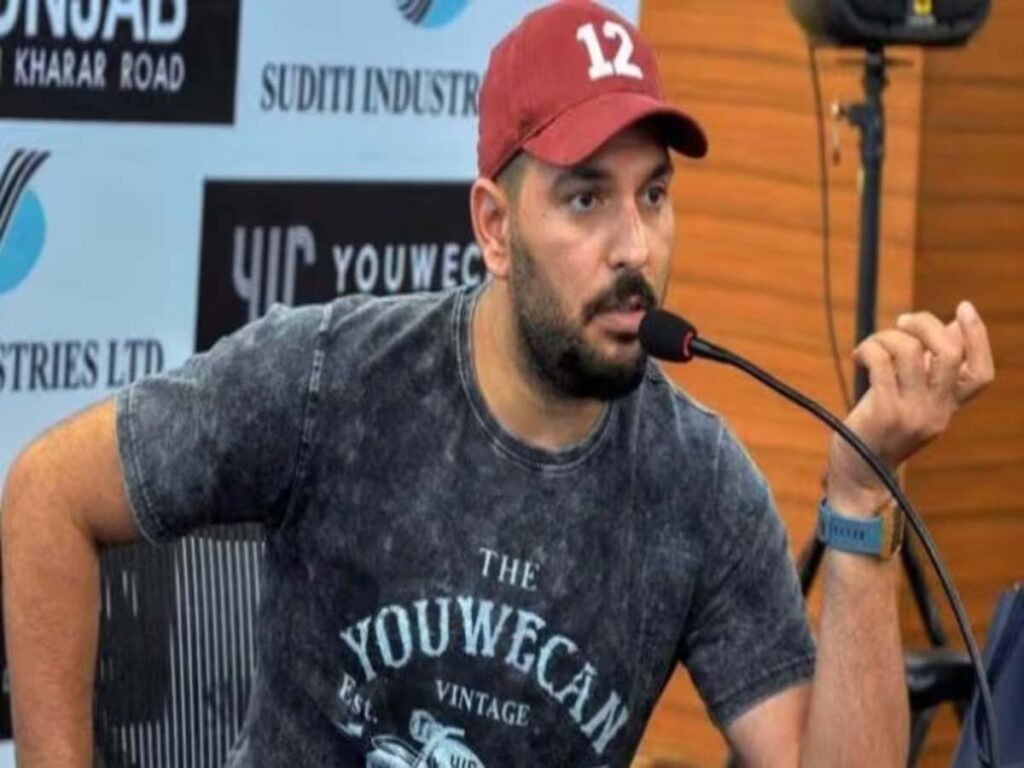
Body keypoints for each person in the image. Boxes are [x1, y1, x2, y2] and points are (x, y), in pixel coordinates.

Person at [1, 1, 995, 766]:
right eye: (585, 199)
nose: (635, 247)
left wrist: (860, 503)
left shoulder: (699, 482)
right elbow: (48, 494)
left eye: (653, 193)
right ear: (494, 227)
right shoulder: (328, 379)